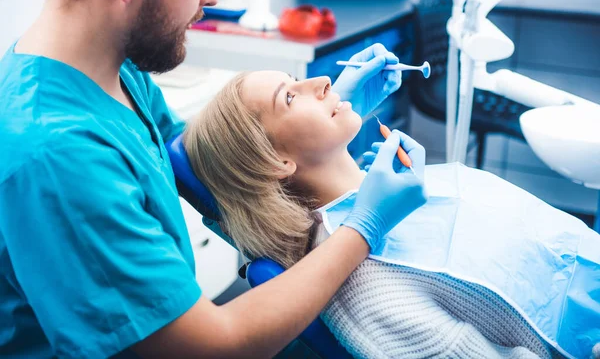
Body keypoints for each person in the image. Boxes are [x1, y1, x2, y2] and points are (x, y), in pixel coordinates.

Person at [0, 0, 427, 358]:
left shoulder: (109, 70)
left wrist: (321, 119)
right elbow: (211, 346)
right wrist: (363, 228)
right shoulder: (58, 157)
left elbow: (191, 160)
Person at [183, 70, 600, 359]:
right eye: (290, 97)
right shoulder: (363, 288)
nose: (324, 81)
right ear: (276, 161)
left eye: (294, 81)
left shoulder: (392, 184)